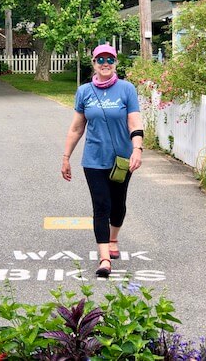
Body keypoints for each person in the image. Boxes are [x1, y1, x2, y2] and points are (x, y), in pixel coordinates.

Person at [61, 43, 144, 278]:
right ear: (93, 63)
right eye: (100, 60)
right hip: (93, 160)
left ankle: (114, 237)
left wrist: (137, 149)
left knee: (118, 205)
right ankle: (105, 257)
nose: (105, 64)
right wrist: (66, 157)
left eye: (110, 60)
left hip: (121, 160)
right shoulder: (84, 91)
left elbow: (134, 123)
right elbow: (77, 128)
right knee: (101, 206)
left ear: (115, 63)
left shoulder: (127, 90)